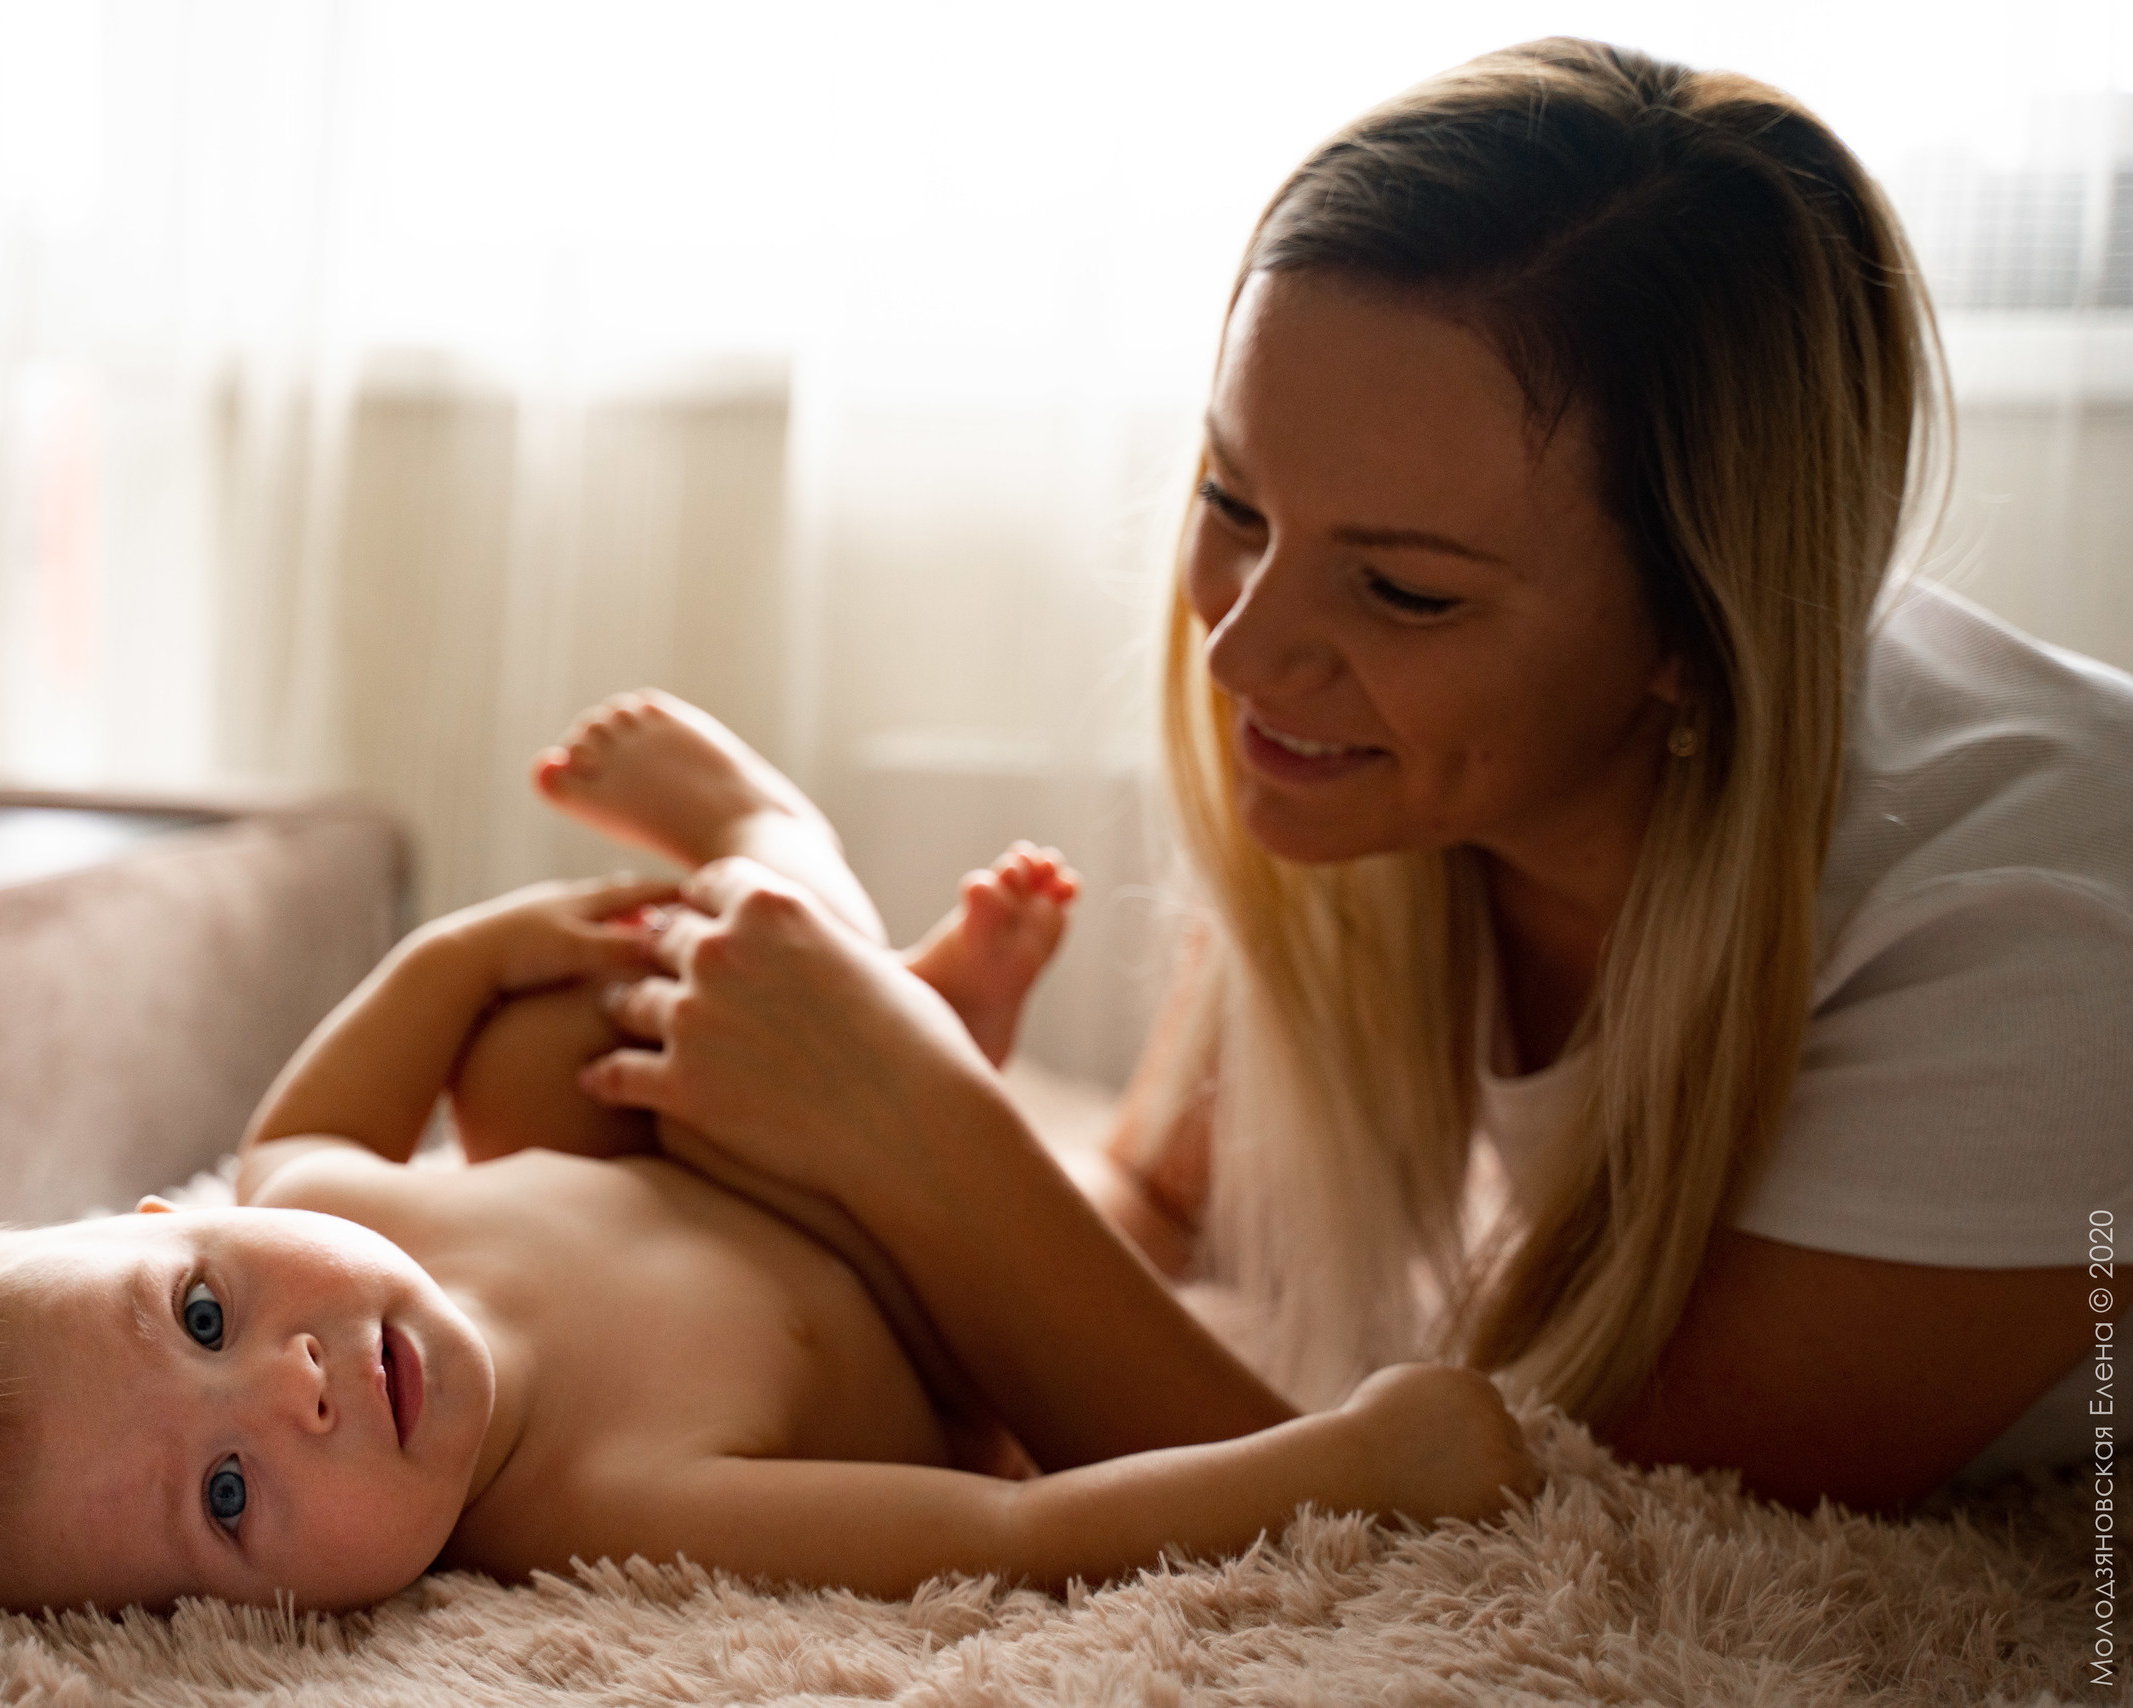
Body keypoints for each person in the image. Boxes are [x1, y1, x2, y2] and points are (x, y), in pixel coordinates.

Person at [571, 38, 2133, 1512]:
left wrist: (919, 1124)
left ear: (1699, 629)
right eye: (1232, 501)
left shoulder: (2037, 951)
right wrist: (856, 1173)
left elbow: (1549, 1541)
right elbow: (1151, 1210)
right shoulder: (1406, 786)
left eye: (1403, 591)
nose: (1243, 656)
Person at [0, 691, 1535, 1629]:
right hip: (941, 1293)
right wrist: (1351, 1461)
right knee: (1114, 1207)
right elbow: (1017, 1536)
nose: (295, 1390)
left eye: (197, 1318)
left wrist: (490, 945)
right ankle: (827, 924)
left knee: (528, 1045)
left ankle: (852, 976)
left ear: (169, 1223)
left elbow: (321, 1105)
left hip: (736, 1135)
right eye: (230, 1498)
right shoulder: (611, 1501)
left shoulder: (315, 1208)